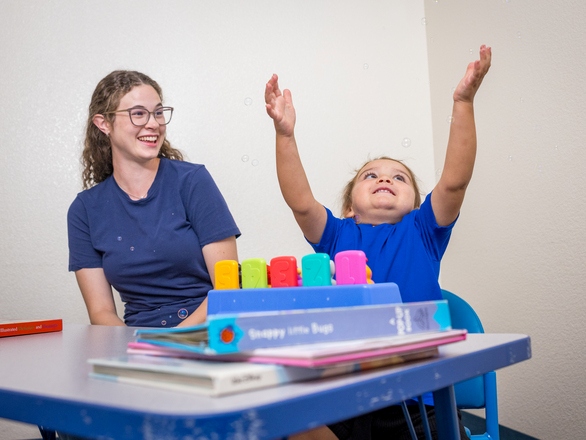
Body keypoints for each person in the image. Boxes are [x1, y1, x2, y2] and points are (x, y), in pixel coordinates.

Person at [265, 45, 491, 439]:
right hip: (344, 394)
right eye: (370, 176)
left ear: (418, 205)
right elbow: (301, 203)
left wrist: (463, 102)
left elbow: (455, 180)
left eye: (399, 177)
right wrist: (285, 135)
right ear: (350, 205)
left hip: (420, 398)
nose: (384, 179)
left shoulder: (423, 230)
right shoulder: (337, 234)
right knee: (286, 420)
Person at [67, 70, 240, 329]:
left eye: (158, 112)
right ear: (104, 124)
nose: (153, 124)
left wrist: (169, 344)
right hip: (135, 342)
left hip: (205, 332)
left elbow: (228, 288)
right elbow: (101, 312)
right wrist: (136, 349)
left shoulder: (193, 182)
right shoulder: (84, 210)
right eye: (138, 113)